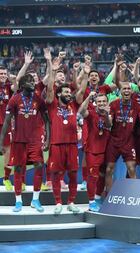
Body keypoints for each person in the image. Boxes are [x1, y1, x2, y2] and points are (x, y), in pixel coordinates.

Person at [0, 73, 50, 212]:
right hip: (19, 140)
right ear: (22, 85)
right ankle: (18, 201)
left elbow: (47, 121)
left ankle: (35, 199)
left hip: (34, 140)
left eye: (33, 81)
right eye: (29, 81)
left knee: (39, 165)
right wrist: (0, 142)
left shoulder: (39, 100)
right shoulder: (14, 99)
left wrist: (48, 140)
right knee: (18, 168)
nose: (33, 83)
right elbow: (6, 122)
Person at [45, 52, 85, 215]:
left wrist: (86, 73)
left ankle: (71, 202)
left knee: (74, 174)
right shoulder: (52, 105)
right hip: (56, 144)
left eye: (70, 92)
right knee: (55, 174)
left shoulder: (74, 105)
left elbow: (81, 90)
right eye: (66, 93)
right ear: (59, 94)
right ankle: (58, 202)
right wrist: (53, 69)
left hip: (72, 145)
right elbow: (49, 89)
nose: (69, 94)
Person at [105, 81, 140, 191]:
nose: (126, 91)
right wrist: (106, 116)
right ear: (120, 91)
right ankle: (108, 196)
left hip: (128, 142)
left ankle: (132, 197)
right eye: (124, 89)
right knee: (109, 170)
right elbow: (108, 124)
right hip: (114, 142)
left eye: (128, 89)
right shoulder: (114, 104)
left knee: (131, 169)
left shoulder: (137, 106)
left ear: (132, 91)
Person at [78, 92, 111, 212]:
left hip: (106, 150)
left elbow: (109, 124)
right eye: (99, 101)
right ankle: (91, 202)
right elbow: (81, 111)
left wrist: (106, 114)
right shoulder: (91, 114)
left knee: (102, 175)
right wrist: (88, 97)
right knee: (93, 177)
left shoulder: (109, 114)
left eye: (104, 101)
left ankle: (97, 198)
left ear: (107, 102)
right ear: (96, 103)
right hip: (93, 151)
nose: (102, 103)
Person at [0, 66, 14, 191]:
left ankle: (6, 179)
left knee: (8, 151)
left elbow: (17, 84)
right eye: (1, 74)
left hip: (5, 124)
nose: (3, 75)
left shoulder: (8, 87)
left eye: (4, 73)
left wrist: (12, 78)